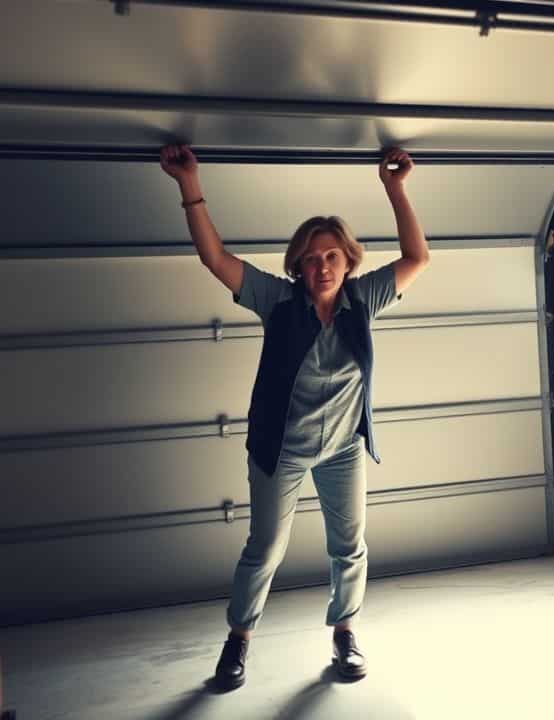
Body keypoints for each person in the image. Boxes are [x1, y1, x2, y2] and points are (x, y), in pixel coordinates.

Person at [159, 145, 430, 689]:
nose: (322, 266)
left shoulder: (364, 299)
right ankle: (238, 640)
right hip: (280, 447)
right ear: (298, 267)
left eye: (331, 256)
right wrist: (190, 183)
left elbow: (417, 258)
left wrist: (395, 188)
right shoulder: (278, 302)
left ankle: (345, 634)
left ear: (348, 261)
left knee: (349, 546)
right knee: (264, 548)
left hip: (343, 449)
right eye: (310, 258)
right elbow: (216, 259)